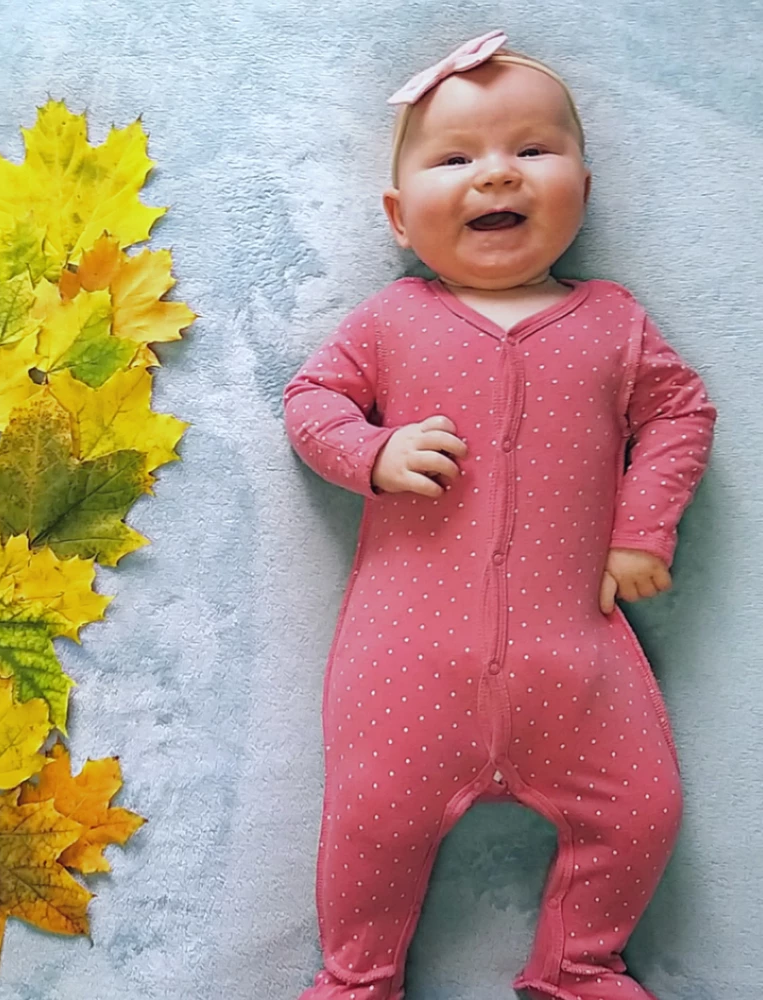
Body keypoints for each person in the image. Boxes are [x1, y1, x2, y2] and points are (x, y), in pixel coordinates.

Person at [282, 29, 717, 1000]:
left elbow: (680, 412)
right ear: (398, 216)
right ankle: (357, 978)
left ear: (582, 190)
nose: (494, 175)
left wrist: (642, 528)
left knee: (642, 807)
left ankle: (576, 962)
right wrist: (372, 452)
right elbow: (310, 403)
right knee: (368, 822)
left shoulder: (611, 319)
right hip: (404, 662)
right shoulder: (392, 320)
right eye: (454, 158)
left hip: (575, 654)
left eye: (529, 150)